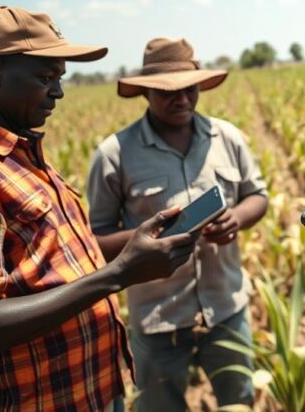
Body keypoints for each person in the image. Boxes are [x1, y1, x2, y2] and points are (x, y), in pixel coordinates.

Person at [0, 6, 199, 411]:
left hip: (86, 390)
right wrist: (120, 274)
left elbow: (56, 262)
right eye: (45, 77)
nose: (58, 92)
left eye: (60, 78)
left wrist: (137, 245)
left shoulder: (17, 151)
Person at [87, 37, 269, 411]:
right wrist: (147, 239)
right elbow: (93, 240)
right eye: (168, 92)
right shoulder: (115, 154)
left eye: (190, 88)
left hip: (226, 309)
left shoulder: (227, 137)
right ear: (145, 93)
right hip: (158, 319)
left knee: (239, 402)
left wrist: (236, 218)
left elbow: (258, 196)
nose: (182, 99)